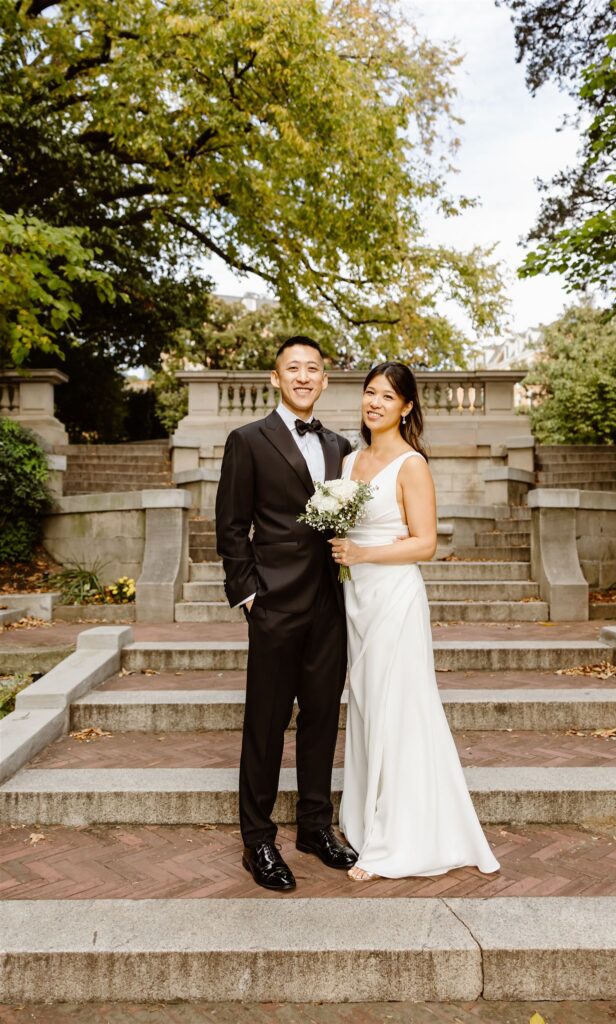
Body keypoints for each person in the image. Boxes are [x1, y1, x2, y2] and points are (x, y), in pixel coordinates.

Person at [330, 361, 500, 880]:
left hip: (395, 600)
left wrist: (362, 555)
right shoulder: (349, 459)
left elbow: (425, 543)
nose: (375, 402)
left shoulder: (411, 465)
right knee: (364, 709)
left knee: (397, 709)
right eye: (369, 392)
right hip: (354, 600)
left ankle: (395, 841)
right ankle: (364, 822)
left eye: (387, 396)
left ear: (406, 407)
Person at [215, 336, 357, 892]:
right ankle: (258, 841)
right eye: (292, 368)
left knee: (322, 717)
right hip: (273, 602)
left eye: (313, 369)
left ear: (324, 381)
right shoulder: (247, 440)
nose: (303, 376)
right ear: (276, 378)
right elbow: (231, 525)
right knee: (266, 723)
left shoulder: (342, 445)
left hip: (330, 602)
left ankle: (315, 828)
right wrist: (247, 594)